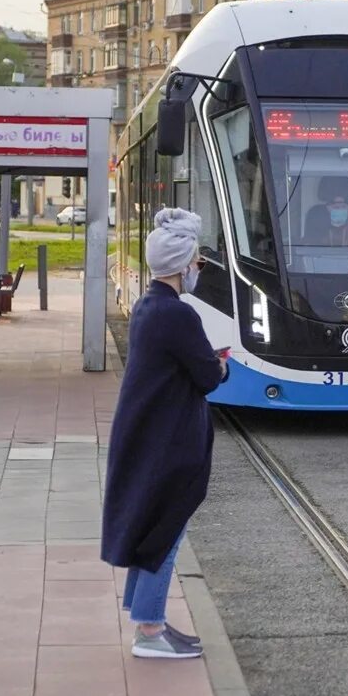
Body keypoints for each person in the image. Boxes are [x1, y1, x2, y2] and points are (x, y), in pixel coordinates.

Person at [102, 208, 226, 660]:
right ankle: (150, 633)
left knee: (152, 529)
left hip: (148, 436)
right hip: (167, 443)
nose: (198, 270)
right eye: (197, 263)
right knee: (164, 535)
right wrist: (221, 365)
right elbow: (209, 377)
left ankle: (146, 618)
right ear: (181, 264)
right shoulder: (176, 315)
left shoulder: (148, 307)